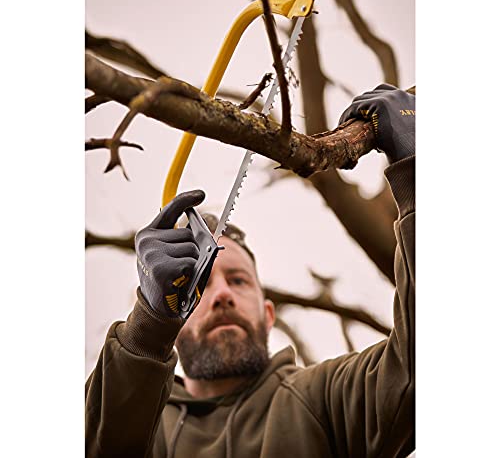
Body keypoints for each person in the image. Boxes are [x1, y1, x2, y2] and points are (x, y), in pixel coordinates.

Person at [85, 84, 415, 457]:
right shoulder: (141, 421)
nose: (223, 294)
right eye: (200, 285)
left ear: (268, 313)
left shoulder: (325, 399)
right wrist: (146, 331)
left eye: (238, 280)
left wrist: (418, 173)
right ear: (172, 327)